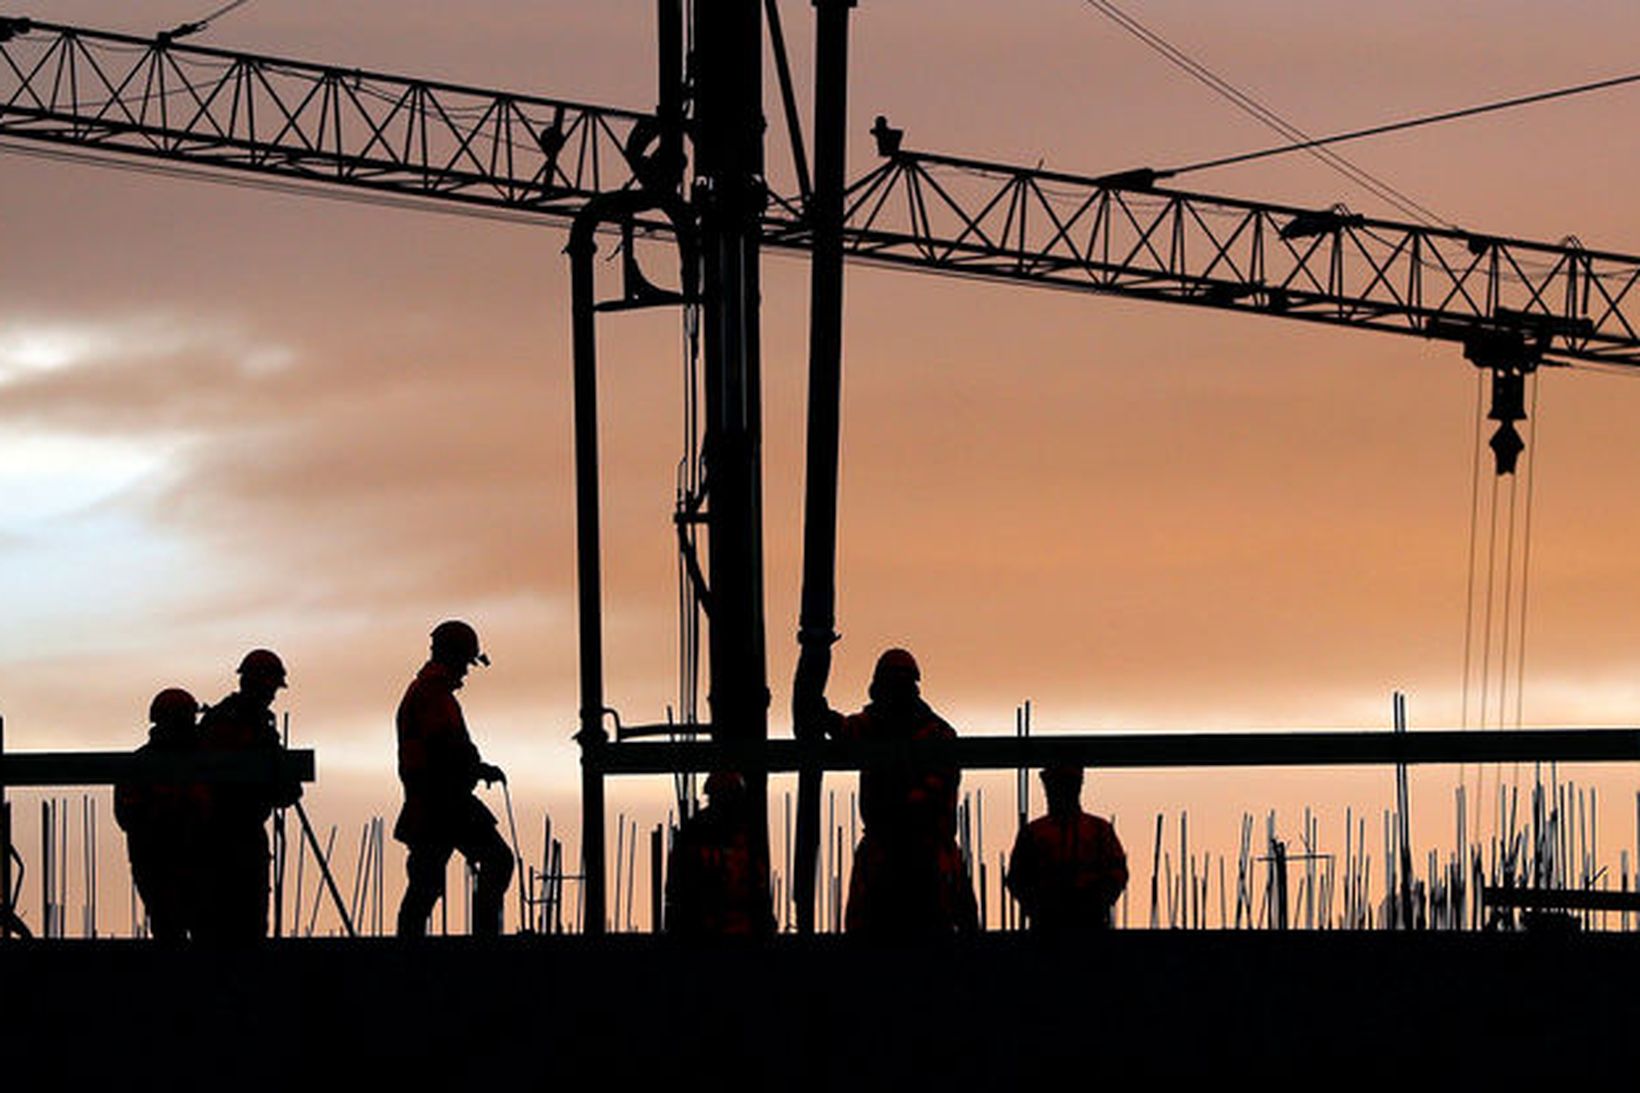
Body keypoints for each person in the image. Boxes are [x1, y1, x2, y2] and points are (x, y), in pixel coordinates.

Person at [795, 646, 977, 936]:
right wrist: (823, 715)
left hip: (925, 856)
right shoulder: (876, 726)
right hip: (891, 852)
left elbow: (931, 795)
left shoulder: (937, 736)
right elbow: (847, 730)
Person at [393, 620, 514, 937]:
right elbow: (445, 747)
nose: (466, 671)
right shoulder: (432, 694)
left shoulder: (428, 692)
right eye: (465, 662)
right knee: (496, 862)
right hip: (442, 803)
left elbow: (445, 748)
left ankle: (408, 947)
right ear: (453, 656)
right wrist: (476, 768)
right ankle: (482, 940)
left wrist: (476, 767)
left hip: (434, 801)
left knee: (425, 882)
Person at [196, 649, 302, 940]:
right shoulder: (236, 726)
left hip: (232, 835)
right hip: (228, 836)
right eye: (270, 689)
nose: (272, 696)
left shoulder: (231, 722)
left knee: (238, 924)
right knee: (237, 924)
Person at [114, 688, 207, 940]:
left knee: (189, 933)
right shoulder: (141, 765)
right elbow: (127, 815)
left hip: (191, 864)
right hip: (159, 864)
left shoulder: (205, 763)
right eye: (188, 719)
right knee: (172, 931)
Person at [1006, 764, 1128, 933]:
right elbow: (1017, 879)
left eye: (1062, 786)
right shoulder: (1034, 832)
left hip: (1088, 923)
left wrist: (1094, 899)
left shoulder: (1098, 830)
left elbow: (1117, 874)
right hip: (1048, 925)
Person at [665, 771, 775, 936]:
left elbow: (757, 893)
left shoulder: (744, 839)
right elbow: (677, 892)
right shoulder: (694, 837)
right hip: (705, 934)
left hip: (733, 935)